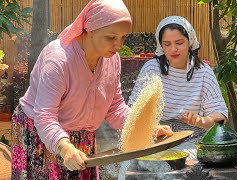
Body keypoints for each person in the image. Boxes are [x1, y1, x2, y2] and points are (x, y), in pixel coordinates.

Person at [11, 0, 172, 179]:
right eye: (111, 37)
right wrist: (65, 147)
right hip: (42, 133)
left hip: (82, 135)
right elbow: (45, 115)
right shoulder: (58, 60)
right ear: (90, 29)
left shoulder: (112, 60)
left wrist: (145, 128)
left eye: (123, 38)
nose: (118, 45)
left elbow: (115, 108)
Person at [128, 16, 228, 160]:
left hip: (192, 139)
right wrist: (150, 128)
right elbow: (134, 109)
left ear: (190, 42)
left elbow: (220, 117)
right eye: (167, 44)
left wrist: (200, 121)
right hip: (156, 137)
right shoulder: (151, 70)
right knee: (134, 166)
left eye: (179, 43)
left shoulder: (204, 73)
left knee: (173, 162)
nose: (173, 49)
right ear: (160, 46)